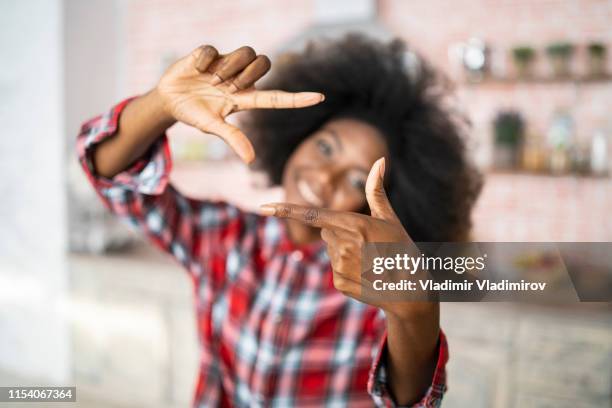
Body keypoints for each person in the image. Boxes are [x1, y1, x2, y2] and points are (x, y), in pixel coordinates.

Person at [77, 34, 481, 407]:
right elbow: (111, 177)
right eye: (325, 147)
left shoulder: (374, 279)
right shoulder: (224, 235)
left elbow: (408, 400)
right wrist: (160, 106)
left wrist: (418, 311)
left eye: (359, 177)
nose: (324, 177)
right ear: (296, 137)